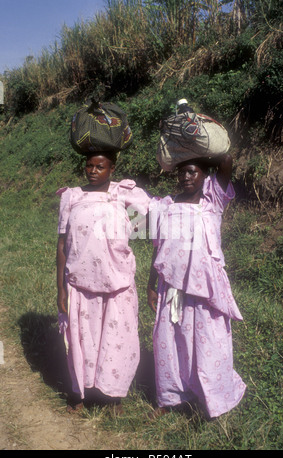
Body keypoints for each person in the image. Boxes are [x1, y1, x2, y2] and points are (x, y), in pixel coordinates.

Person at [147, 154, 246, 419]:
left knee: (209, 343)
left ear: (205, 175)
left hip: (206, 288)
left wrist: (201, 146)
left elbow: (226, 162)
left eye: (193, 172)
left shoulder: (212, 200)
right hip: (172, 287)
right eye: (182, 173)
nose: (187, 177)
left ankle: (212, 398)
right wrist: (151, 284)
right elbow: (158, 248)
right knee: (168, 341)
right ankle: (169, 399)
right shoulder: (166, 205)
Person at [56, 151, 151, 413]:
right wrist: (60, 288)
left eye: (100, 166)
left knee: (117, 338)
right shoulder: (72, 196)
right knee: (81, 340)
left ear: (112, 168)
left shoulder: (124, 194)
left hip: (117, 283)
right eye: (89, 165)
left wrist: (129, 231)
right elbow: (63, 244)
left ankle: (112, 396)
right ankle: (80, 393)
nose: (93, 170)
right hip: (79, 283)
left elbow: (147, 221)